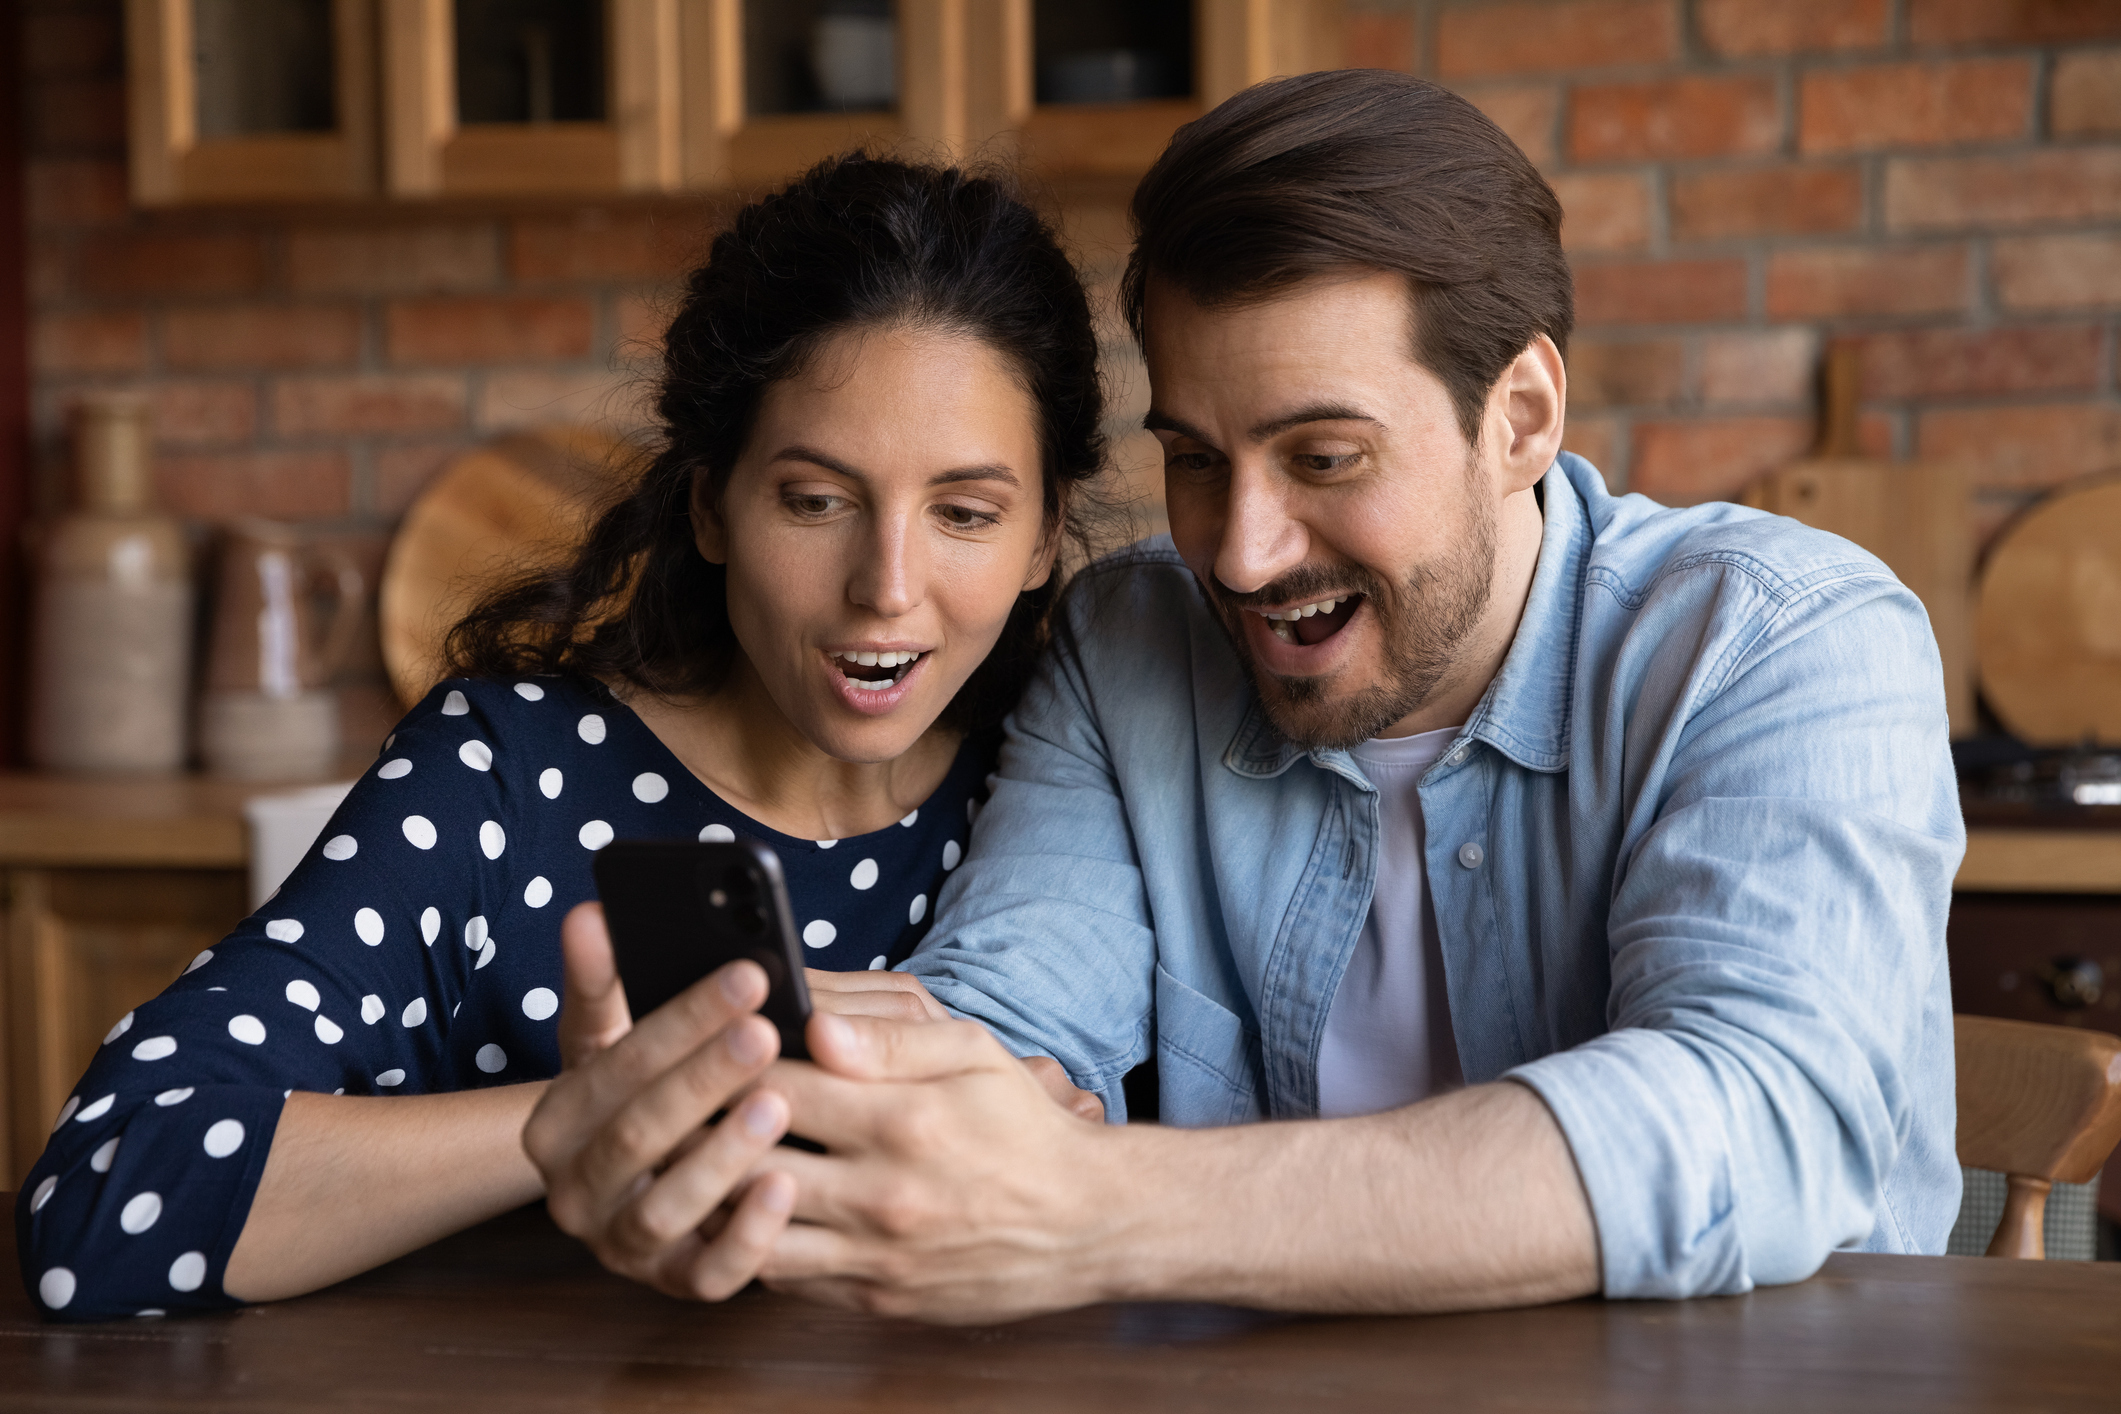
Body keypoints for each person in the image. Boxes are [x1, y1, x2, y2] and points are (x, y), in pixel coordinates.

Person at [532, 69, 1963, 1319]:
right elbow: (1005, 1017)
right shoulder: (1130, 640)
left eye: (1323, 456)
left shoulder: (1780, 639)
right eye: (1198, 455)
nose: (1239, 547)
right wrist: (773, 1085)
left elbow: (1757, 1117)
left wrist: (1096, 1210)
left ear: (1518, 417)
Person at [17, 155, 1110, 1321]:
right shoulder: (505, 774)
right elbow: (104, 1197)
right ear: (710, 507)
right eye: (815, 499)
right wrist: (590, 1114)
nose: (887, 589)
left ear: (1044, 536)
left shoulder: (1069, 791)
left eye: (965, 514)